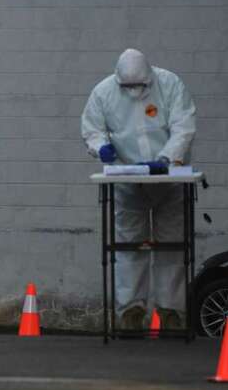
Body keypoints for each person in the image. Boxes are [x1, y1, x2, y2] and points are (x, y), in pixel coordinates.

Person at [81, 49, 196, 331]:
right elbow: (92, 129)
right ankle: (130, 311)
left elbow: (183, 127)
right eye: (128, 87)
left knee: (171, 245)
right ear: (119, 80)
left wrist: (165, 159)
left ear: (149, 77)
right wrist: (100, 148)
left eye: (139, 86)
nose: (134, 91)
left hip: (169, 178)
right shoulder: (104, 92)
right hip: (128, 179)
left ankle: (171, 311)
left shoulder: (170, 85)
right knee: (129, 245)